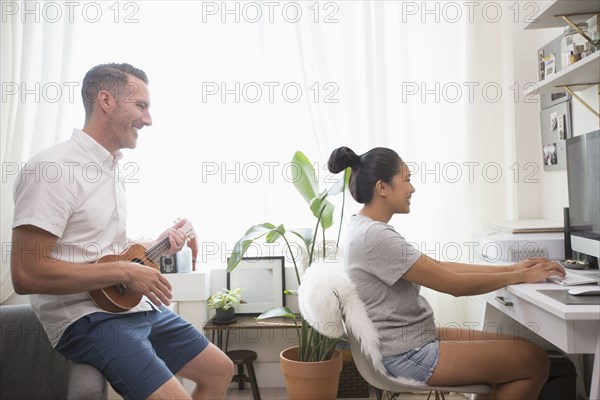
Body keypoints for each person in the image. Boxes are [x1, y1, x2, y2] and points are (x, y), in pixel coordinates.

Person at [10, 63, 234, 400]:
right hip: (88, 320)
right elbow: (26, 274)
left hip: (132, 308)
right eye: (140, 106)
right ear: (106, 100)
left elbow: (99, 248)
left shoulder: (110, 167)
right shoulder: (52, 170)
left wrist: (155, 245)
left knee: (220, 371)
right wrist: (124, 270)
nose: (148, 119)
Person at [327, 146, 566, 400]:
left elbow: (439, 266)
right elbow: (455, 285)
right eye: (406, 179)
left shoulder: (363, 227)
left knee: (517, 351)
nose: (412, 188)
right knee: (533, 360)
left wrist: (513, 268)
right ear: (382, 187)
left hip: (408, 339)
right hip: (405, 353)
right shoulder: (374, 235)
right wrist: (520, 277)